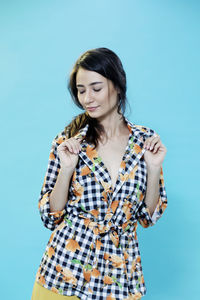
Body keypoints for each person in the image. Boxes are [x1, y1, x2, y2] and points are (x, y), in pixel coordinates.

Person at [31, 47, 168, 300]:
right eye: (81, 91)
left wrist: (154, 166)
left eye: (96, 88)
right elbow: (50, 216)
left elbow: (148, 217)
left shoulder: (145, 141)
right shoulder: (68, 141)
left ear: (117, 85)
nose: (87, 99)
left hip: (118, 277)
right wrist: (67, 169)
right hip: (64, 272)